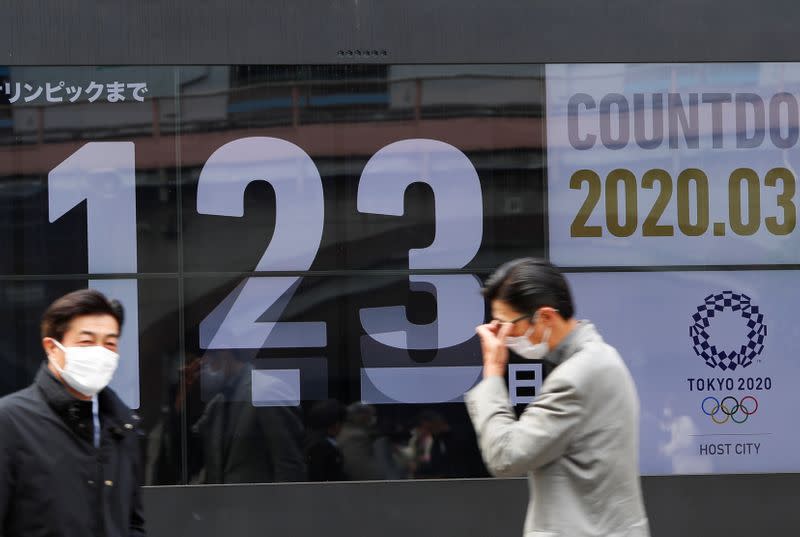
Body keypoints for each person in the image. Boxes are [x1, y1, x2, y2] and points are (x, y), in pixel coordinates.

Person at [465, 258, 650, 537]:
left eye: (505, 325)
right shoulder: (597, 359)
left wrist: (492, 371)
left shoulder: (576, 376)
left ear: (546, 317)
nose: (501, 337)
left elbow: (506, 456)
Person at [0, 289, 146, 537]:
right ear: (52, 347)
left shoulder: (123, 426)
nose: (101, 353)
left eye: (110, 343)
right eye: (86, 341)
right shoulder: (11, 420)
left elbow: (132, 522)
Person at [191, 350, 307, 484]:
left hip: (261, 503)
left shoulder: (268, 390)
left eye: (205, 356)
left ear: (224, 352)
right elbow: (195, 451)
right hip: (224, 503)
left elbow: (289, 466)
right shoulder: (217, 404)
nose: (202, 364)